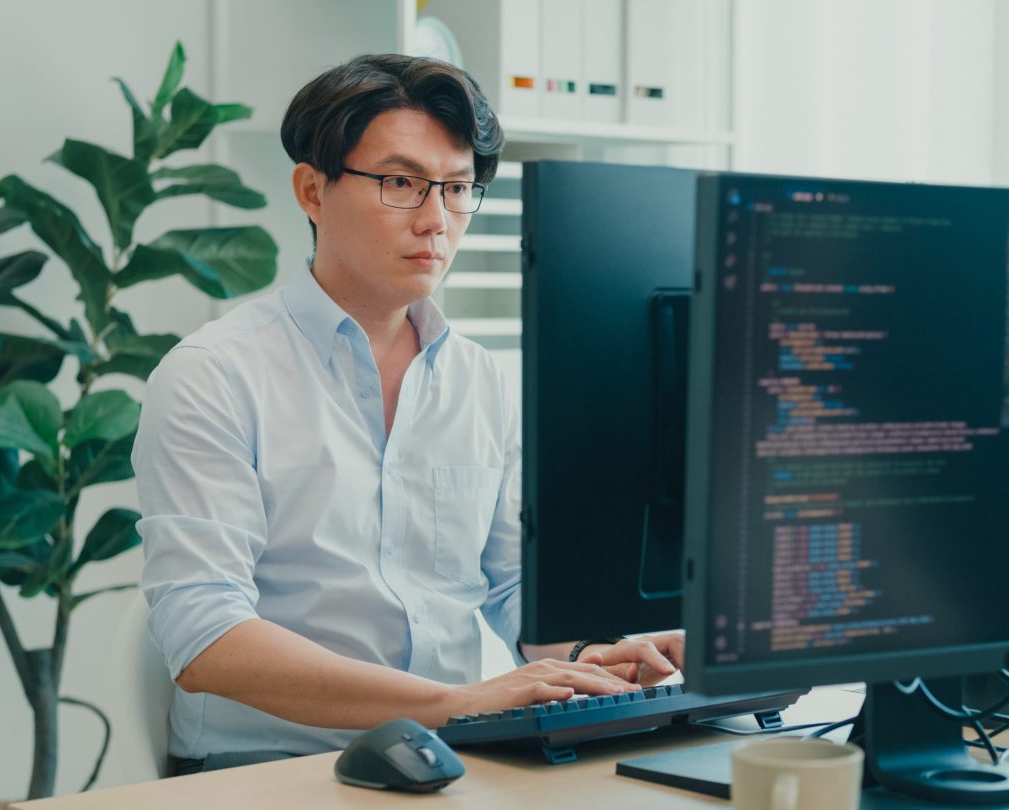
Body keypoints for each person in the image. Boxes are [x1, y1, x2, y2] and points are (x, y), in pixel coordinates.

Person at [135, 54, 683, 773]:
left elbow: (513, 590)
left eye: (457, 188)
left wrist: (586, 658)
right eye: (400, 183)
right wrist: (457, 703)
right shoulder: (212, 377)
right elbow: (207, 638)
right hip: (270, 767)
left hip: (449, 757)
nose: (436, 220)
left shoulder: (485, 382)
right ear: (312, 189)